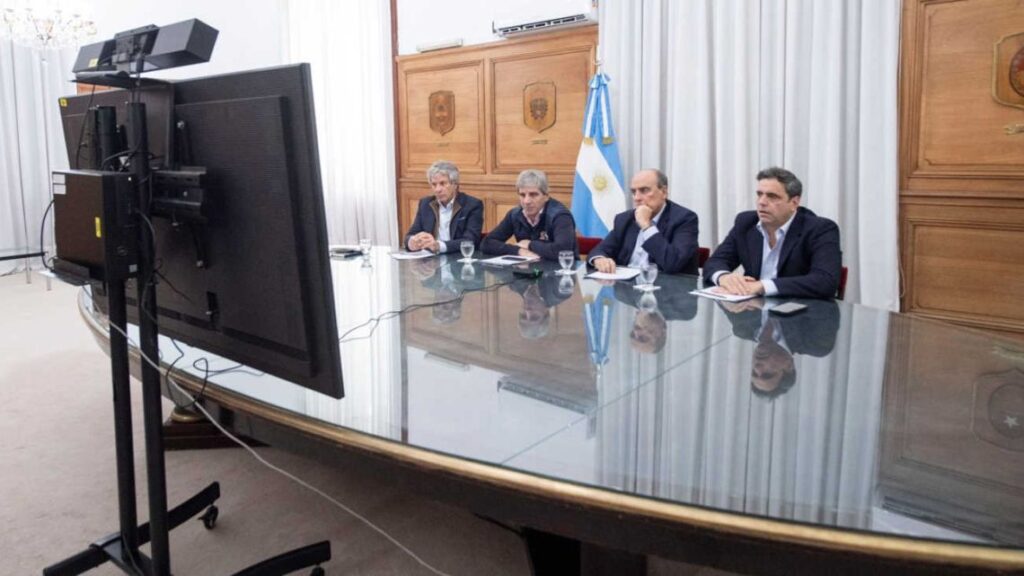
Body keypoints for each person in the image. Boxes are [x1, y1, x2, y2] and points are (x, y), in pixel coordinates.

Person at [702, 167, 842, 299]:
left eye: (772, 196)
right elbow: (715, 261)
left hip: (798, 310)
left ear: (794, 203)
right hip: (750, 309)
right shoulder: (746, 222)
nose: (762, 202)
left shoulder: (820, 229)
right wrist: (724, 277)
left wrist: (762, 286)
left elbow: (825, 281)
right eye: (759, 194)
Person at [717, 298, 840, 397]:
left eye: (754, 372)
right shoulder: (815, 344)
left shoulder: (743, 329)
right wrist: (768, 305)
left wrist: (724, 298)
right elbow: (825, 307)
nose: (758, 367)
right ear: (789, 367)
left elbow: (715, 291)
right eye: (767, 374)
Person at [588, 169, 700, 275]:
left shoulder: (684, 219)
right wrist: (599, 259)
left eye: (644, 190)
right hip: (627, 285)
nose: (636, 198)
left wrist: (647, 226)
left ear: (664, 192)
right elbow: (600, 249)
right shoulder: (625, 219)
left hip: (666, 286)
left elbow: (673, 263)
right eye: (633, 192)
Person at [480, 169, 577, 261]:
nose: (527, 201)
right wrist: (518, 251)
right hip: (529, 269)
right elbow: (487, 243)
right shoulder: (515, 214)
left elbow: (563, 251)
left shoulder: (560, 216)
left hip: (562, 270)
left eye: (533, 194)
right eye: (522, 195)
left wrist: (530, 245)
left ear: (546, 196)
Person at [405, 160, 484, 254]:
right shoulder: (425, 204)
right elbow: (411, 235)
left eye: (443, 183)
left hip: (458, 257)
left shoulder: (472, 205)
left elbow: (470, 240)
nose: (438, 189)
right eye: (434, 184)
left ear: (455, 184)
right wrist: (412, 242)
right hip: (429, 259)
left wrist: (438, 246)